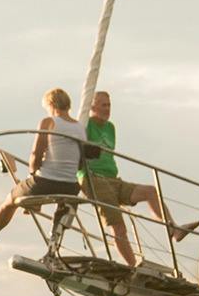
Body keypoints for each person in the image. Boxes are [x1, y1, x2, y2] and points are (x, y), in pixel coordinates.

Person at [79, 90, 190, 262]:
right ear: (92, 106)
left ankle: (173, 229)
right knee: (119, 227)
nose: (107, 109)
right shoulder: (85, 124)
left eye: (109, 105)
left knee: (150, 191)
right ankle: (133, 267)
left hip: (113, 179)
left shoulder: (110, 127)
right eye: (103, 105)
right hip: (93, 178)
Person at [0, 87, 87, 248]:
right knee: (61, 207)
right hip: (71, 186)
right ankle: (53, 248)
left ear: (51, 105)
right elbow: (81, 162)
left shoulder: (48, 122)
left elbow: (36, 154)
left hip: (45, 182)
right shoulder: (81, 128)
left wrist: (32, 173)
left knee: (9, 202)